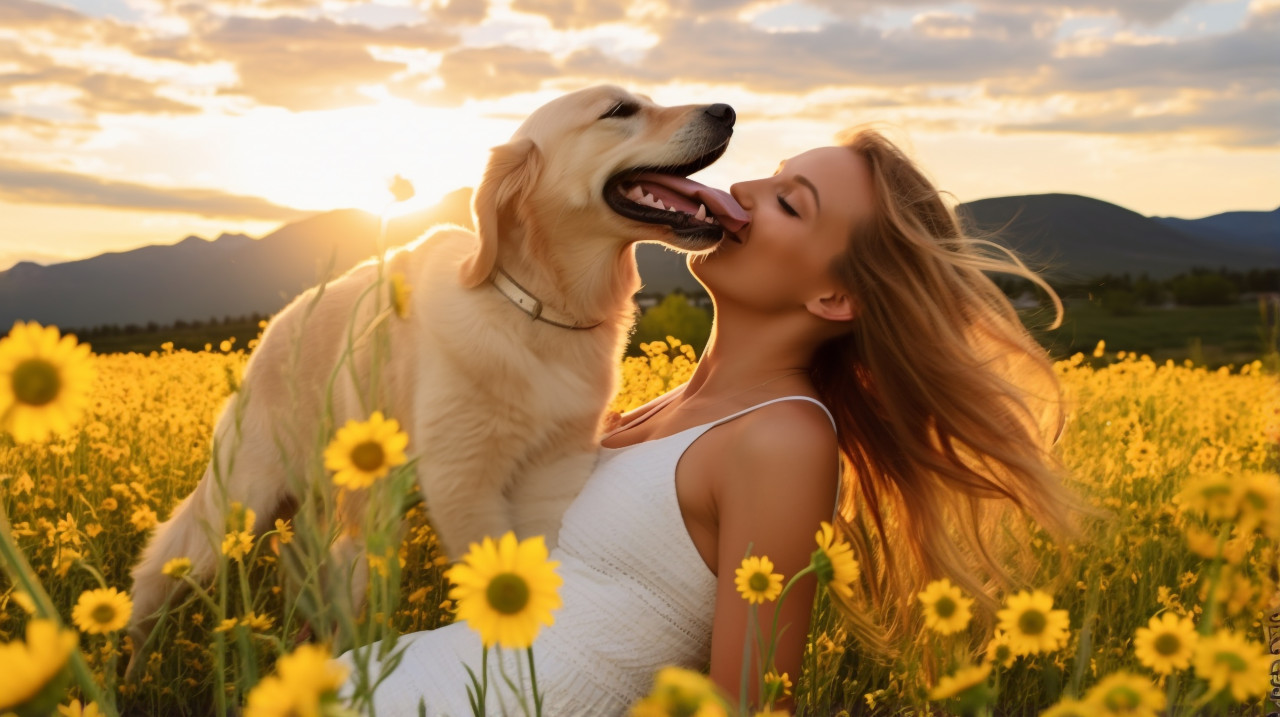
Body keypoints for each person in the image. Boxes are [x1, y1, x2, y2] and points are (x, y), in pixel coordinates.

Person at [337, 127, 1092, 716]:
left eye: (791, 202)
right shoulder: (661, 403)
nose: (742, 188)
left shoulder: (785, 440)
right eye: (772, 173)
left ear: (835, 298)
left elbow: (750, 705)